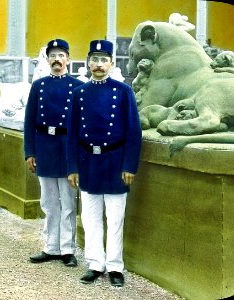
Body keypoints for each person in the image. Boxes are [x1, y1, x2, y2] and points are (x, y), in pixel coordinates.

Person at [66, 40, 142, 287]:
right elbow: (72, 133)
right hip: (88, 163)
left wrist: (129, 165)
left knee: (116, 218)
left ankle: (115, 266)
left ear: (111, 63)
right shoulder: (78, 93)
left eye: (103, 60)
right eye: (94, 60)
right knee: (90, 217)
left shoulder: (123, 91)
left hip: (115, 163)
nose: (98, 65)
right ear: (88, 63)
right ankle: (95, 263)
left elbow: (133, 130)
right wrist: (72, 167)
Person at [24, 38, 84, 267]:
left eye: (61, 56)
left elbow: (80, 125)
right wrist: (30, 152)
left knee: (68, 202)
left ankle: (67, 249)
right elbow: (29, 121)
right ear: (47, 60)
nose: (57, 60)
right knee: (49, 202)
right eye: (53, 56)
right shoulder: (38, 86)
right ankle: (51, 247)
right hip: (45, 148)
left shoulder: (78, 87)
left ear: (68, 59)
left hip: (67, 148)